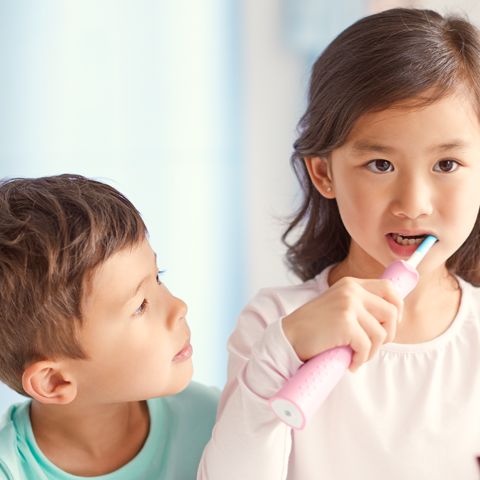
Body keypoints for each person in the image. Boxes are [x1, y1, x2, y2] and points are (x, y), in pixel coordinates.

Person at [198, 8, 480, 480]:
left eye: (446, 165)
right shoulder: (274, 324)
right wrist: (280, 352)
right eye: (380, 165)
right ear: (324, 173)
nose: (413, 204)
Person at [0, 174, 218, 479]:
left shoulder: (216, 422)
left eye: (158, 277)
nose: (179, 306)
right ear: (55, 382)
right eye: (140, 305)